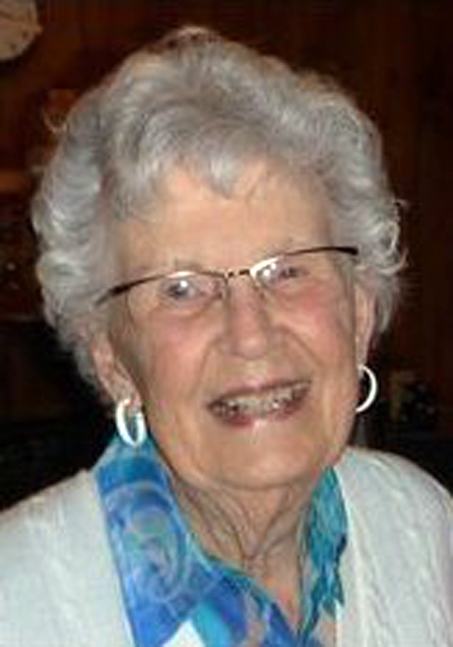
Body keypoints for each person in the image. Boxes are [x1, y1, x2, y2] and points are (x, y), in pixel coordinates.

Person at [0, 25, 451, 647]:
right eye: (182, 288)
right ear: (112, 360)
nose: (250, 334)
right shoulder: (18, 602)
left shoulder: (423, 527)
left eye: (288, 270)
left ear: (360, 313)